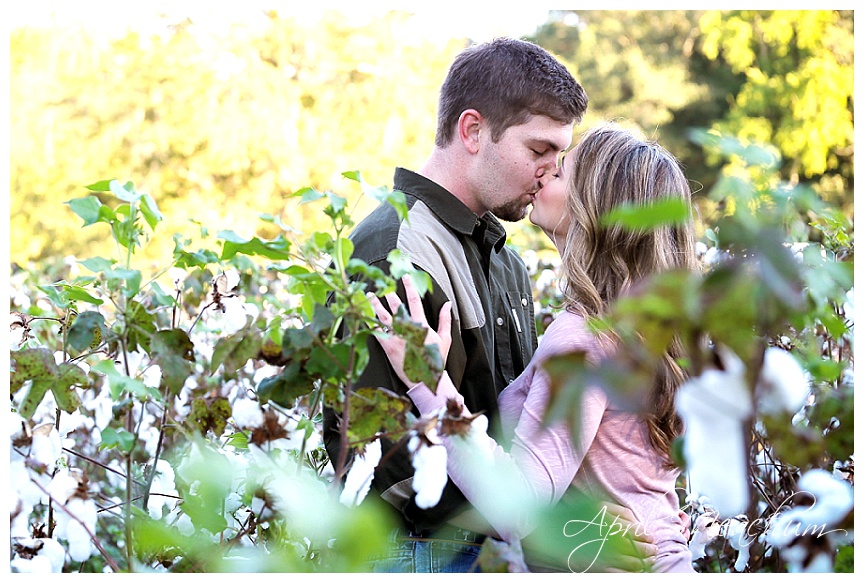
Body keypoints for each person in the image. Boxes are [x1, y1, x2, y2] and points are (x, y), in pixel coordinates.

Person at [370, 122, 699, 572]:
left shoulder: (585, 338)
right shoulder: (649, 332)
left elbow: (517, 504)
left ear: (595, 214)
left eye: (562, 173)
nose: (544, 175)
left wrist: (428, 384)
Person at [322, 37, 591, 572]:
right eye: (539, 151)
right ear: (472, 131)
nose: (551, 172)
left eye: (559, 156)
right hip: (419, 555)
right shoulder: (394, 252)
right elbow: (381, 460)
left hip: (496, 549)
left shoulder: (505, 259)